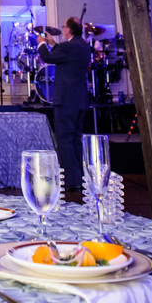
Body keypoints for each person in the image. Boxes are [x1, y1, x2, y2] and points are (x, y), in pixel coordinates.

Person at [37, 17, 92, 190]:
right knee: (75, 139)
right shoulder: (83, 45)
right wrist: (53, 43)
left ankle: (71, 181)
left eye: (63, 27)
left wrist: (41, 44)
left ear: (68, 30)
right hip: (80, 99)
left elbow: (48, 58)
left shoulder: (69, 47)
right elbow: (64, 54)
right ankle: (80, 177)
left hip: (66, 100)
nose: (62, 28)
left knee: (64, 140)